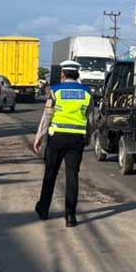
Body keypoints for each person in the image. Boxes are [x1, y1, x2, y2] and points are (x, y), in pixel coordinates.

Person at [33, 60, 91, 228]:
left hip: (57, 137)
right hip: (77, 138)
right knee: (72, 176)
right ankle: (70, 216)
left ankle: (43, 210)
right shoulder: (87, 92)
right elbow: (91, 118)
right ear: (77, 74)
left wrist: (39, 136)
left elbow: (47, 115)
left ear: (63, 74)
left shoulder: (56, 90)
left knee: (50, 173)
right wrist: (87, 136)